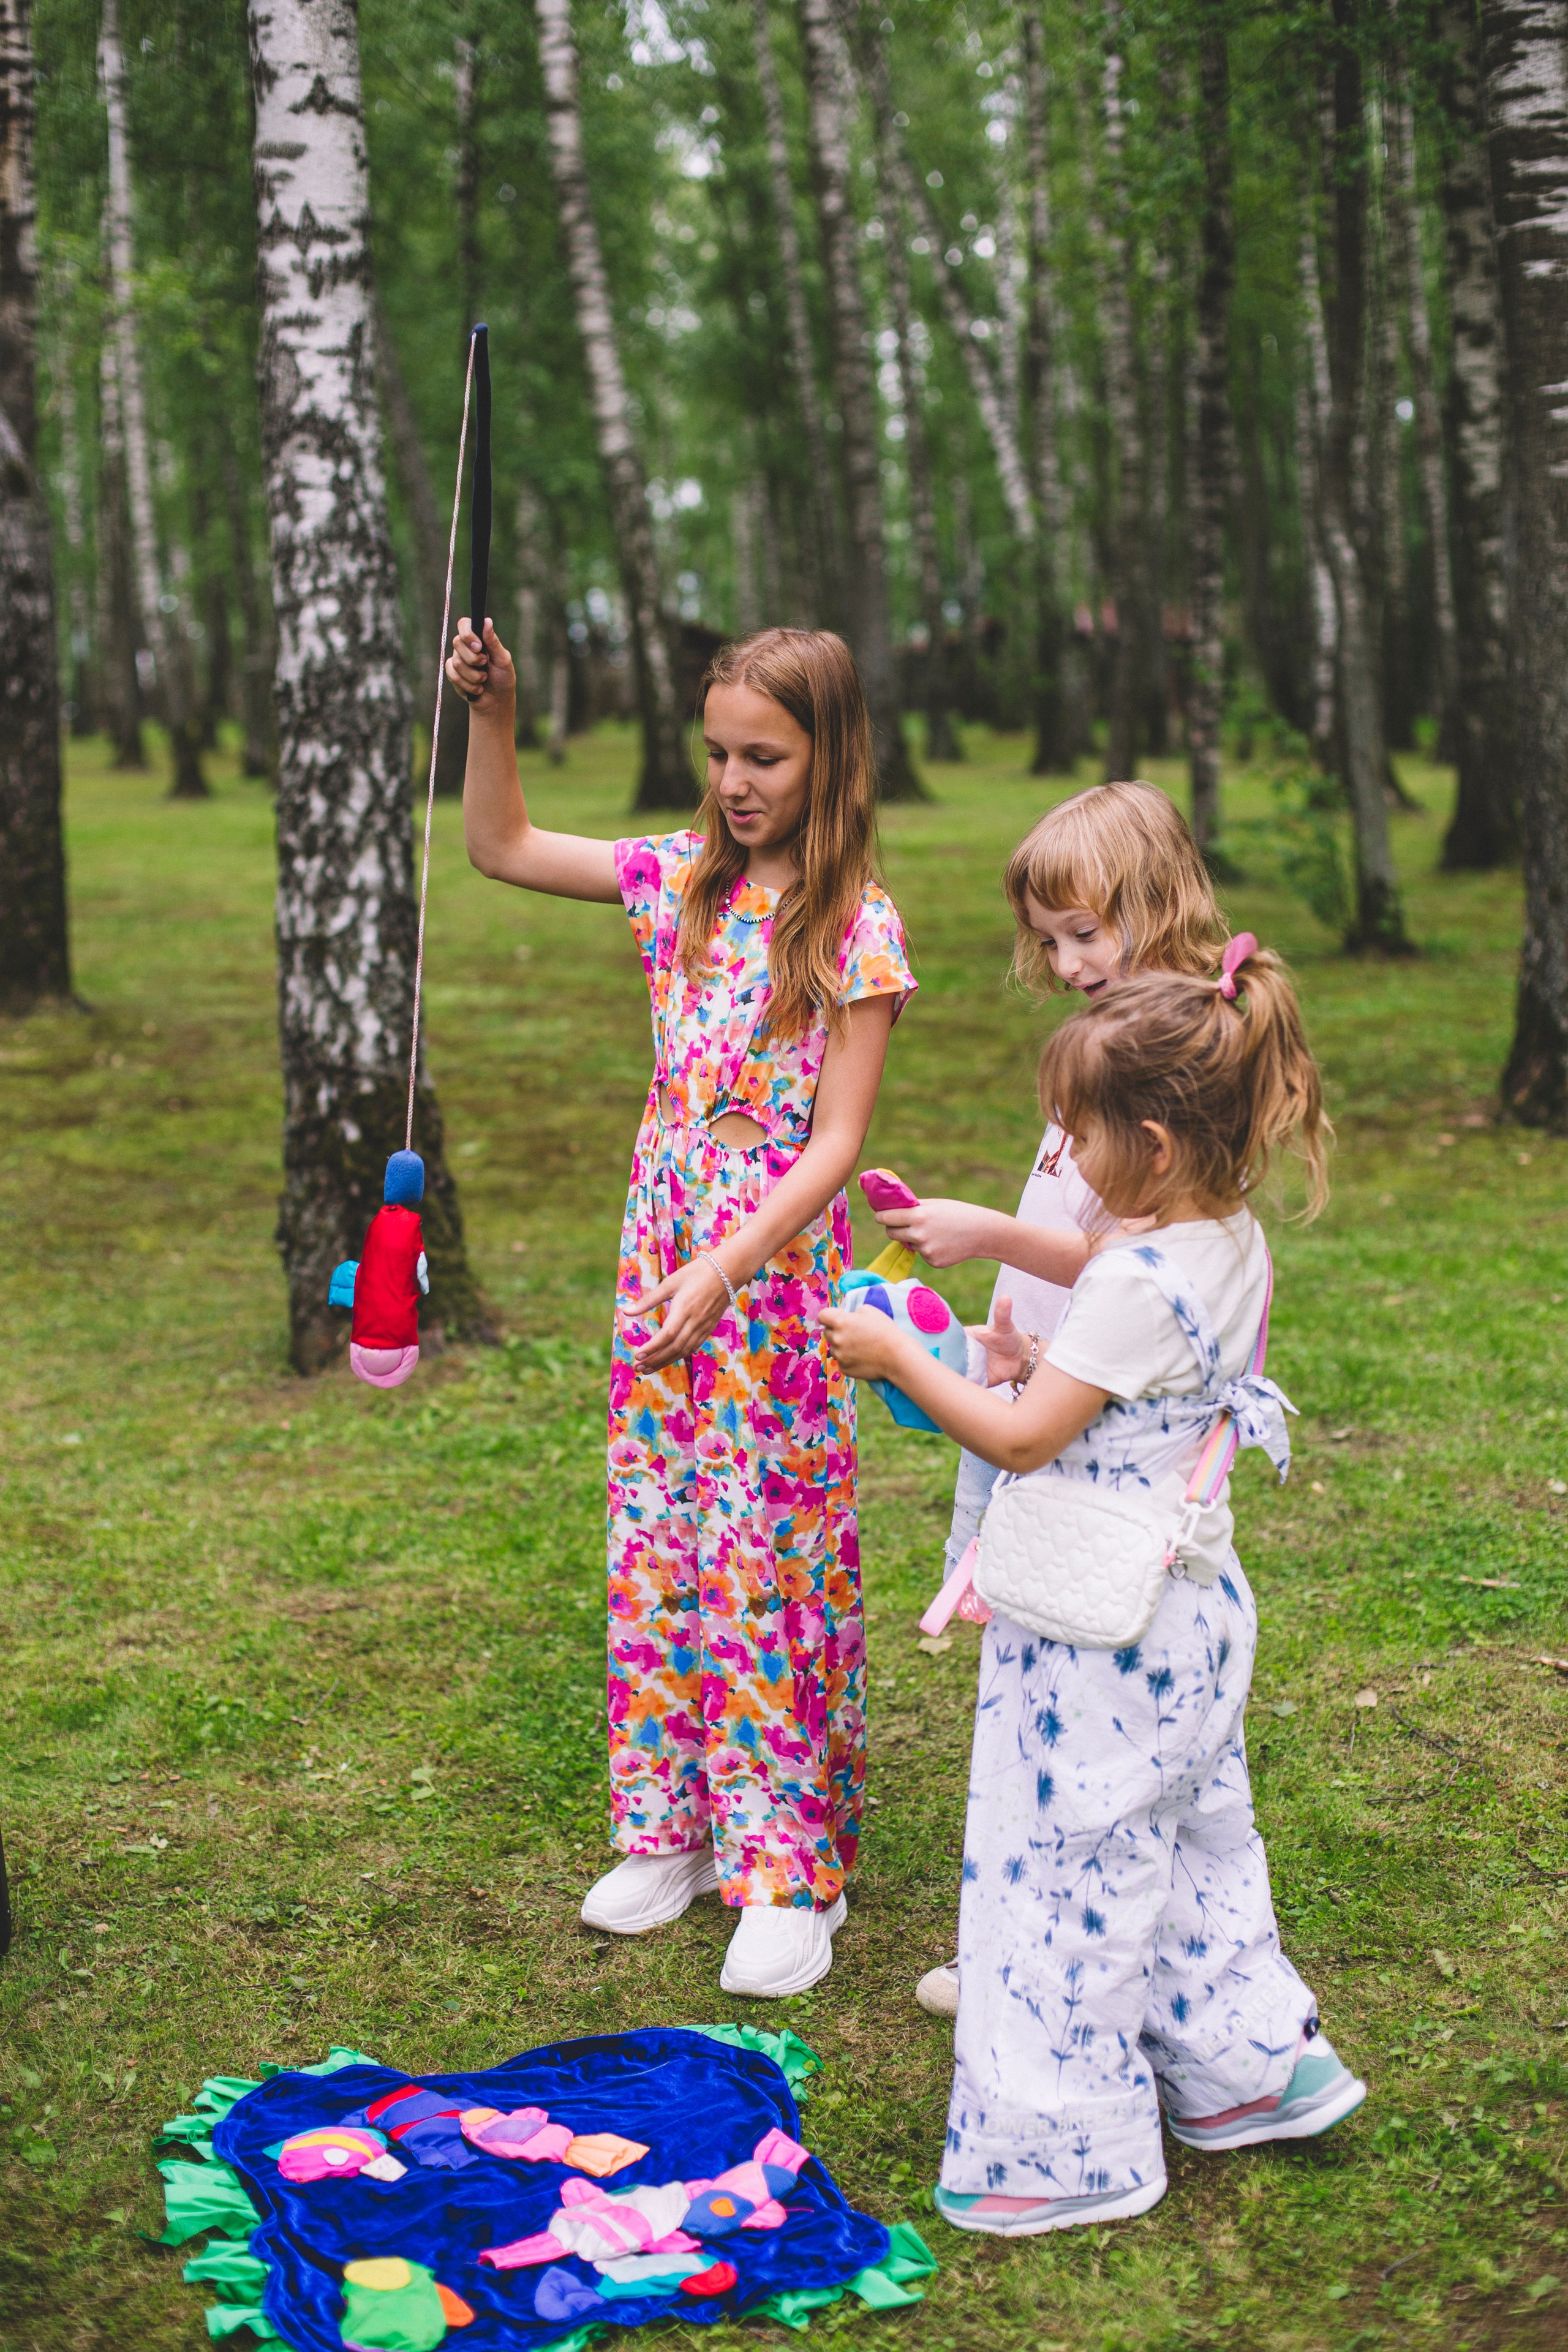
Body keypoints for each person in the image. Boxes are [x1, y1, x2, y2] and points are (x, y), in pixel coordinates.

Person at [821, 946, 1366, 2236]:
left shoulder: (1127, 1278)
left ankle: (1063, 2150)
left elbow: (1015, 1439)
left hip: (1094, 1635)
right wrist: (1004, 1347)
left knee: (1059, 1868)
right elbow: (1097, 1348)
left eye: (1075, 1134)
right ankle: (1245, 2070)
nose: (1060, 1152)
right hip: (1191, 1614)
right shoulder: (1218, 1238)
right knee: (1189, 1846)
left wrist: (904, 1351)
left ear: (1157, 1144)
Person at [448, 616, 915, 1999]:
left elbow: (834, 1141)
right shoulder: (680, 885)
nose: (734, 781)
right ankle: (670, 1828)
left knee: (763, 1550)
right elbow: (501, 848)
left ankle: (787, 1864)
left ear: (828, 756)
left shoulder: (852, 924)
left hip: (766, 1285)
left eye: (762, 755)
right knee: (658, 1530)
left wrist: (728, 1267)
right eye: (716, 752)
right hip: (661, 1262)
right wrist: (494, 712)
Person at [866, 781, 1227, 2016]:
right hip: (1039, 1393)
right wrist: (1000, 1330)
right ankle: (1026, 1921)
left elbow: (1153, 1261)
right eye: (1051, 937)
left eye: (1089, 933)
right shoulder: (1103, 1044)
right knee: (1025, 1677)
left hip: (1088, 1437)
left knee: (1066, 1688)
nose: (1067, 961)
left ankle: (1052, 1935)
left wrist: (982, 1235)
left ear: (1155, 906)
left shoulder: (1165, 1066)